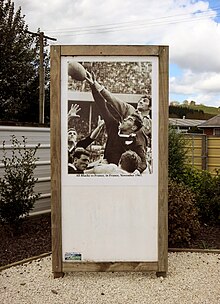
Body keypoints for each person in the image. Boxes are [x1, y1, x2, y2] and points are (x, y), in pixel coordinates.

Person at [86, 71, 152, 173]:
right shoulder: (114, 125)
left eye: (129, 119)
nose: (125, 119)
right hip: (110, 167)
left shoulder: (137, 142)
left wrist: (136, 172)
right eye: (126, 118)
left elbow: (143, 162)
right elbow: (103, 105)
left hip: (128, 171)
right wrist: (93, 86)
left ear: (134, 128)